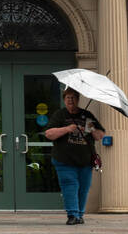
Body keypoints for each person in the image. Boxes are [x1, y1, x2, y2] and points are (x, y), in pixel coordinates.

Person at [43, 87, 105, 224]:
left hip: (85, 160)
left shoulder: (87, 115)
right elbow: (49, 134)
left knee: (83, 188)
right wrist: (68, 128)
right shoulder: (60, 115)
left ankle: (80, 214)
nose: (70, 100)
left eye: (73, 97)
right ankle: (72, 214)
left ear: (78, 99)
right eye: (68, 98)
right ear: (64, 100)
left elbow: (100, 136)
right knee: (69, 186)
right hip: (64, 160)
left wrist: (90, 127)